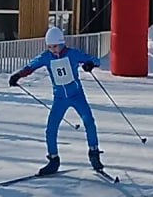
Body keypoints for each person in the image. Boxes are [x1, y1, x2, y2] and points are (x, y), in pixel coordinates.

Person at [8, 26, 102, 175]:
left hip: (77, 95)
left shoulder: (72, 54)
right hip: (60, 98)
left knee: (89, 121)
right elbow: (31, 66)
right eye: (50, 47)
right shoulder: (46, 57)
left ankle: (94, 153)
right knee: (51, 128)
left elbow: (94, 60)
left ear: (62, 43)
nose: (53, 50)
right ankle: (53, 160)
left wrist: (90, 64)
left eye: (55, 46)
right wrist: (18, 75)